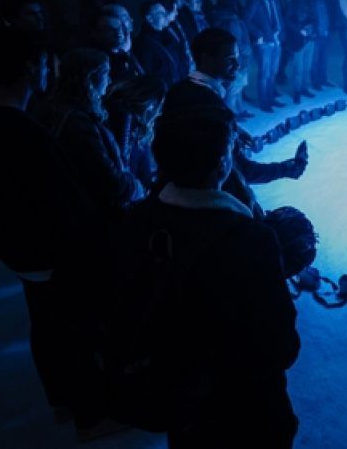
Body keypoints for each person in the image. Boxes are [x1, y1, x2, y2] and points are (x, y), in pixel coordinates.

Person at [115, 107, 300, 448]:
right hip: (244, 404)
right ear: (221, 164)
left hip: (177, 396)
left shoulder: (135, 220)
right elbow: (281, 345)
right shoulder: (251, 239)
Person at [0, 28, 119, 440]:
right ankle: (91, 417)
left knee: (46, 325)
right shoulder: (23, 132)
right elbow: (67, 206)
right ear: (30, 68)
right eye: (45, 64)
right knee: (72, 331)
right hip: (49, 252)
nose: (49, 71)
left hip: (14, 250)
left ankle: (60, 401)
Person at [161, 28, 308, 218]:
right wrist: (287, 168)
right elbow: (240, 170)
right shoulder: (210, 107)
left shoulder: (180, 90)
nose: (238, 64)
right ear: (206, 59)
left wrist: (236, 129)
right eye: (230, 59)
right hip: (210, 207)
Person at [35, 47, 145, 214]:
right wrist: (134, 187)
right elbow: (107, 178)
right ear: (89, 77)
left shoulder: (64, 110)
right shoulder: (78, 122)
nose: (109, 80)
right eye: (105, 74)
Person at [103, 74, 167, 188]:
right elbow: (124, 163)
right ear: (151, 103)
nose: (159, 112)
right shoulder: (126, 120)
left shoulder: (134, 124)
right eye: (159, 106)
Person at [210, 0, 254, 118]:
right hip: (235, 56)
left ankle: (239, 109)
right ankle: (231, 114)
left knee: (238, 86)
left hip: (239, 55)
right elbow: (232, 39)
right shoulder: (228, 18)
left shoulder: (232, 15)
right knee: (233, 86)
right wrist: (244, 49)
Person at [244, 0, 285, 112]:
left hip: (275, 41)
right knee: (264, 73)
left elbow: (278, 18)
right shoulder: (256, 0)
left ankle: (270, 97)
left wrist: (280, 33)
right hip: (264, 43)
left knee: (273, 71)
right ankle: (264, 102)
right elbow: (246, 20)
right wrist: (258, 34)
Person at [133, 0, 190, 89]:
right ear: (149, 18)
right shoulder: (143, 44)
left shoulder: (167, 35)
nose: (166, 15)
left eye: (165, 12)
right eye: (161, 13)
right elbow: (150, 74)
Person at [90, 12, 144, 86]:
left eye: (120, 27)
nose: (119, 32)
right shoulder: (98, 59)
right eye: (110, 29)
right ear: (96, 33)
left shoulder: (128, 50)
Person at [285, 0, 317, 105]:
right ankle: (297, 92)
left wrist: (313, 29)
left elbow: (314, 18)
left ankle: (305, 88)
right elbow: (287, 21)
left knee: (307, 67)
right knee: (298, 68)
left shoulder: (310, 3)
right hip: (297, 41)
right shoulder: (292, 4)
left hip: (310, 40)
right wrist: (300, 30)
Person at [309, 0, 336, 89]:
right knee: (314, 59)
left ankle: (323, 79)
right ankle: (315, 81)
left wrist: (331, 29)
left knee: (324, 58)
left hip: (327, 33)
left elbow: (333, 13)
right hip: (316, 34)